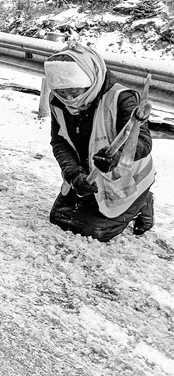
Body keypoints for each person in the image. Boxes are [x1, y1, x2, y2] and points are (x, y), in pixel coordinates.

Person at [44, 43, 155, 242]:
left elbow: (143, 142)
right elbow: (59, 143)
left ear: (91, 78)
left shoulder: (122, 98)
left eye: (75, 92)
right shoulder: (57, 101)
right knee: (60, 219)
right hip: (90, 174)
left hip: (125, 180)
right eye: (62, 93)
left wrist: (117, 156)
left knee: (93, 232)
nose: (70, 99)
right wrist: (74, 175)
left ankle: (143, 200)